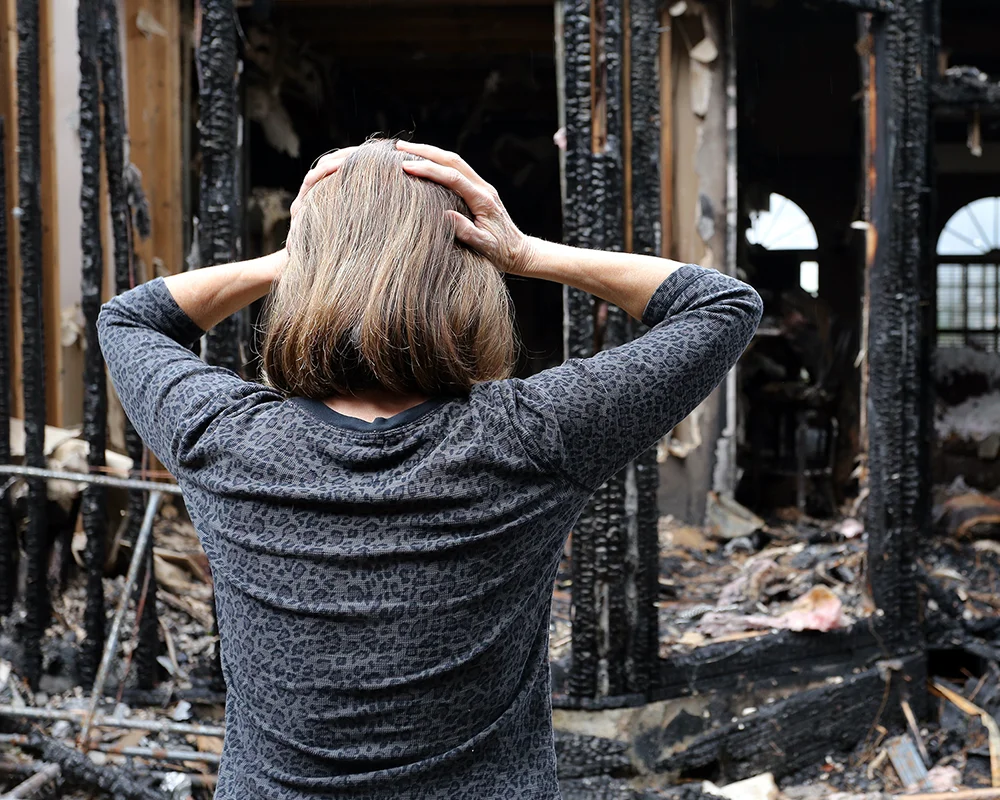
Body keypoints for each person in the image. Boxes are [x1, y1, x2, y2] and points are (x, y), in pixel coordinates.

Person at [98, 138, 761, 799]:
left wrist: (295, 258)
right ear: (470, 270)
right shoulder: (531, 437)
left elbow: (129, 320)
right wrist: (525, 252)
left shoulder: (225, 439)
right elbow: (722, 306)